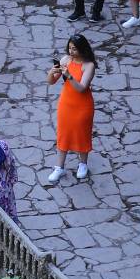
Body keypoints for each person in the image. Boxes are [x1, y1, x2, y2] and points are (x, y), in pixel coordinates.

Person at [45, 34, 96, 182]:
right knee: (63, 133)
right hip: (66, 103)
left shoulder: (89, 65)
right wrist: (51, 73)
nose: (71, 52)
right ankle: (59, 167)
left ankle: (83, 164)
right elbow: (51, 81)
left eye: (75, 49)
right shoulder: (66, 60)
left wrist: (69, 75)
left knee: (82, 133)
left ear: (82, 49)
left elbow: (82, 88)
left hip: (83, 106)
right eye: (70, 48)